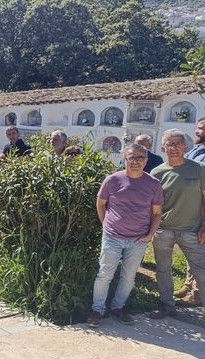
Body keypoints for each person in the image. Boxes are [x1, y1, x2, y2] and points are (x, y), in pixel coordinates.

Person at [87, 144, 163, 328]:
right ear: (125, 159)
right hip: (112, 236)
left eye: (139, 158)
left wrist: (149, 236)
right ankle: (97, 310)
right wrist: (105, 224)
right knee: (104, 274)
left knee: (129, 277)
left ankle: (118, 307)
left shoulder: (153, 184)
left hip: (138, 239)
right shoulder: (112, 180)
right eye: (131, 157)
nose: (135, 161)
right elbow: (101, 203)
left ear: (146, 161)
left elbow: (157, 213)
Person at [149, 128, 205, 319]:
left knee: (201, 271)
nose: (174, 148)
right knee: (163, 269)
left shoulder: (199, 168)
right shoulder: (157, 172)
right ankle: (167, 306)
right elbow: (152, 204)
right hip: (163, 230)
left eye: (178, 143)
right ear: (164, 148)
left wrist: (204, 225)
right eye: (170, 144)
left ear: (185, 146)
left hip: (193, 230)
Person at [178, 121, 205, 306]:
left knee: (201, 252)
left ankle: (197, 294)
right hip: (192, 207)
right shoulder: (197, 149)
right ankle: (188, 285)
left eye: (202, 128)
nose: (197, 131)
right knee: (192, 248)